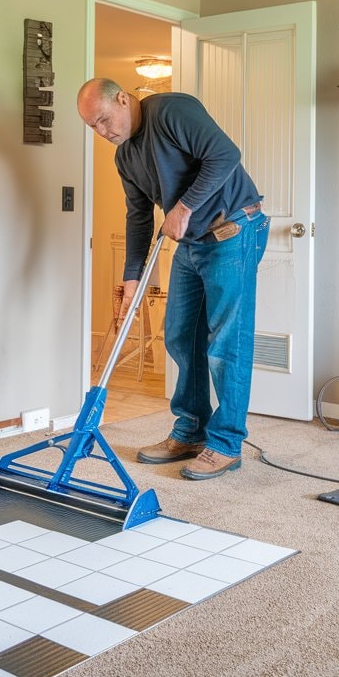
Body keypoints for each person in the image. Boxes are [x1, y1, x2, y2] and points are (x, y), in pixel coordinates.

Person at [76, 78, 269, 480]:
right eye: (93, 127)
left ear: (123, 100)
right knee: (181, 335)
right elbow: (139, 217)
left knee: (226, 342)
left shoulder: (172, 111)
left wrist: (182, 208)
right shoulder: (125, 157)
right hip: (194, 242)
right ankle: (189, 432)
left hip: (232, 229)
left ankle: (226, 443)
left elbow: (226, 153)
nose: (103, 132)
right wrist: (132, 280)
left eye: (105, 120)